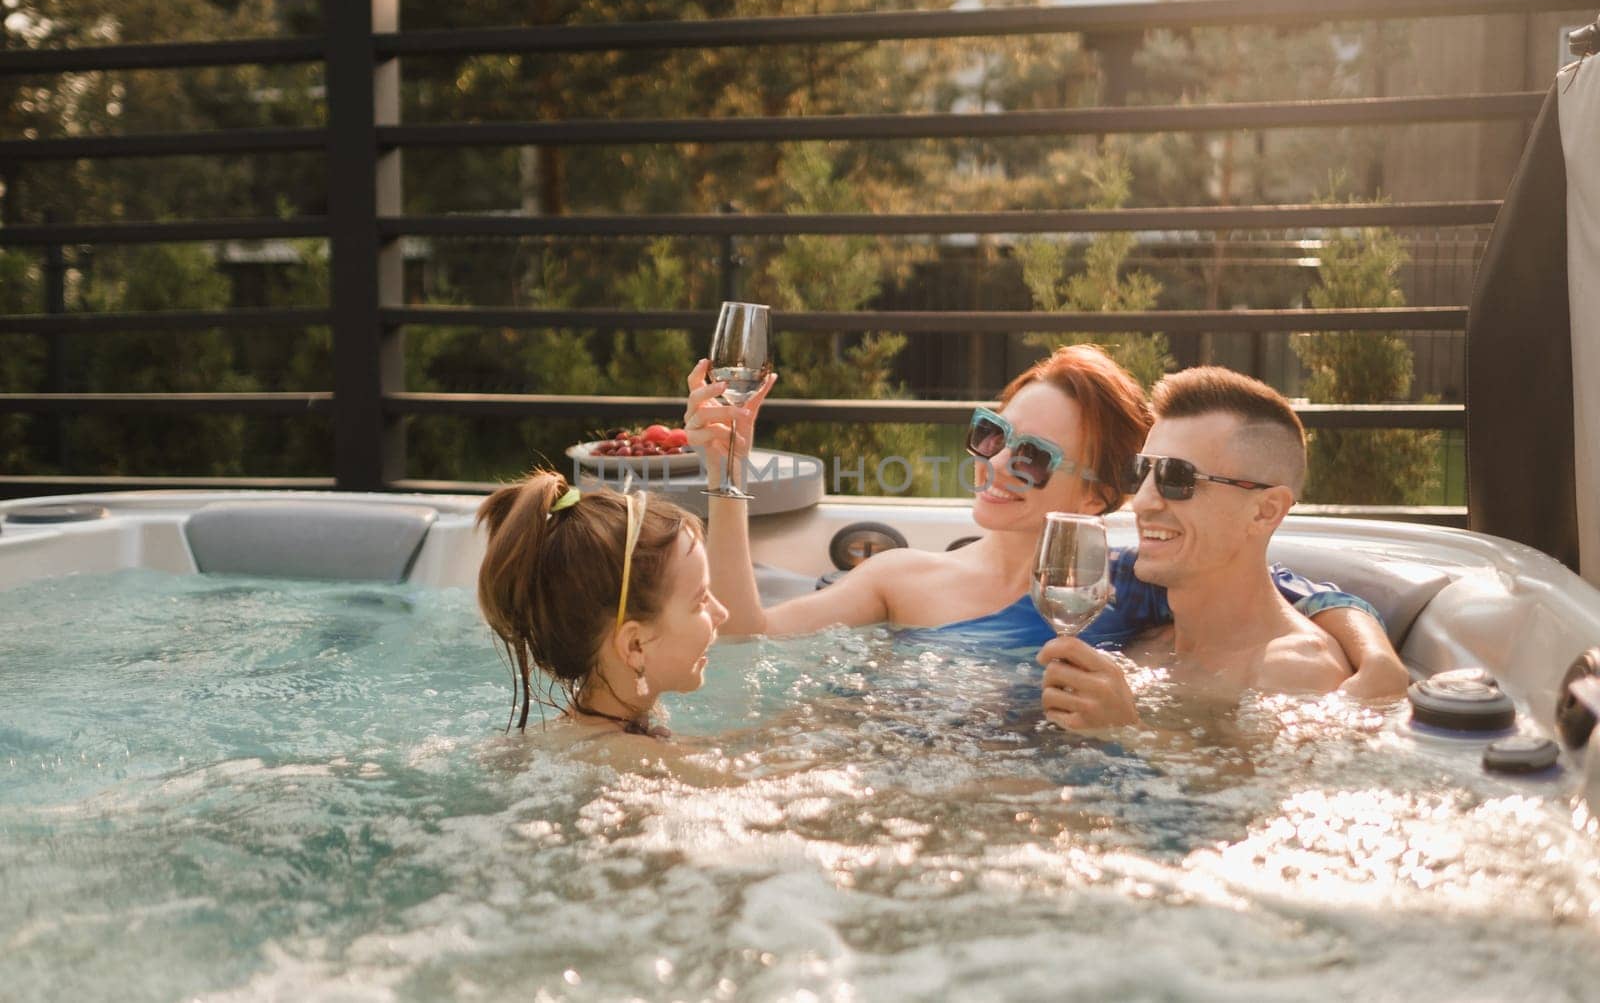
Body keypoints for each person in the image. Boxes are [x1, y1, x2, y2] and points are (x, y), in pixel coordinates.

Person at [683, 344, 1405, 694]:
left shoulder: (1120, 585)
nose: (996, 463)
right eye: (991, 434)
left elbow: (1282, 585)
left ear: (1097, 497)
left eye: (1031, 457)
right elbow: (747, 634)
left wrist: (1377, 660)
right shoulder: (899, 574)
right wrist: (724, 475)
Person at [1038, 366, 1366, 732]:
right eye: (1140, 471)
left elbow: (1267, 788)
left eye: (1177, 478)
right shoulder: (1143, 639)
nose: (1142, 501)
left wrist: (1128, 731)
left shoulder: (1296, 670)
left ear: (1265, 511)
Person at [476, 470, 729, 739]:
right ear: (635, 645)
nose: (722, 613)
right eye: (701, 601)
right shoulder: (641, 762)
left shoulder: (571, 733)